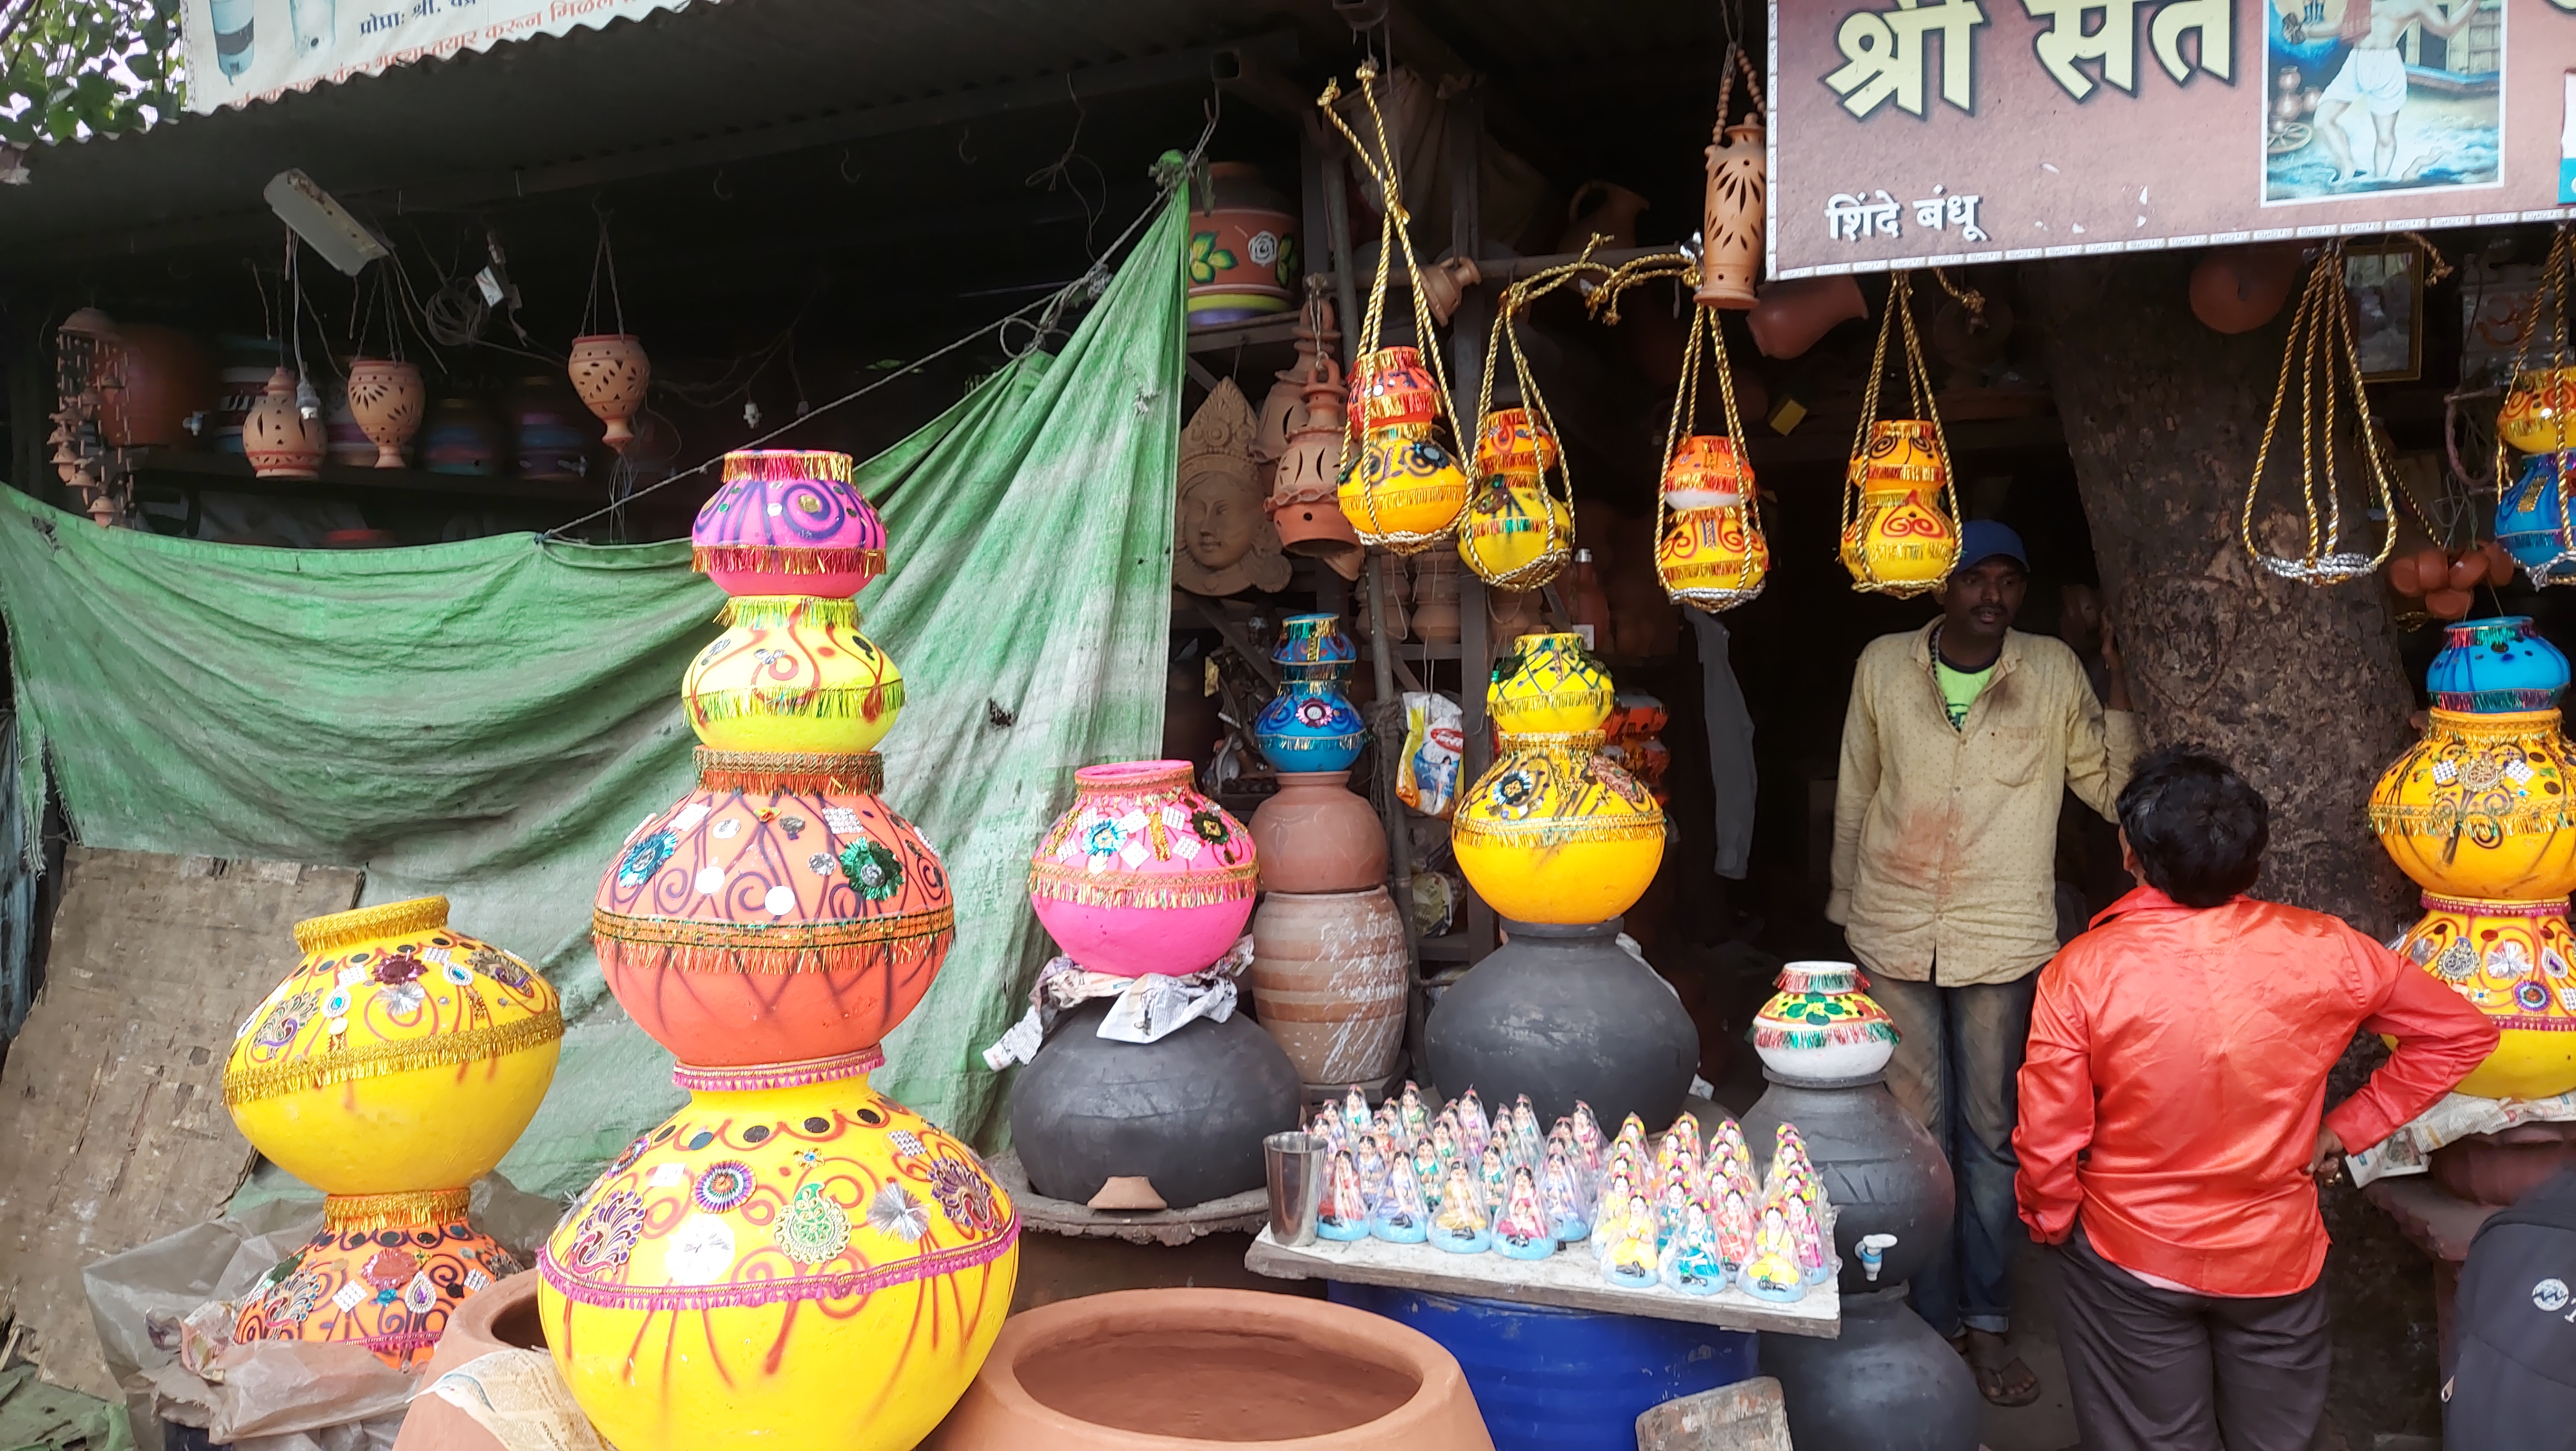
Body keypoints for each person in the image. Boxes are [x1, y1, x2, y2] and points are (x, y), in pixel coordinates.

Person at [2016, 749, 2496, 1451]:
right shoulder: (2327, 950)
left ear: (2130, 855)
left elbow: (2047, 1137)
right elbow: (2459, 1034)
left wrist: (2051, 1222)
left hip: (2130, 1255)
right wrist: (2344, 1129)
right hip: (2274, 1254)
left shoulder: (2082, 973)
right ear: (2255, 863)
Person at [1828, 519, 2136, 1406]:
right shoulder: (1884, 665)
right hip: (1891, 922)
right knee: (1918, 1134)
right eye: (1974, 579)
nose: (1991, 596)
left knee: (1993, 1135)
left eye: (2008, 580)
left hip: (2002, 933)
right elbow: (1858, 786)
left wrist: (2113, 676)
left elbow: (2110, 789)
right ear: (1941, 587)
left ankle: (1989, 1321)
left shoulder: (2049, 671)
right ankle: (1929, 1318)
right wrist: (1848, 907)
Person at [2314, 0, 2482, 187]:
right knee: (2322, 119)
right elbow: (2337, 27)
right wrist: (2304, 32)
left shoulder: (2414, 3)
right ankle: (2349, 167)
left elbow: (2447, 29)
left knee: (2385, 137)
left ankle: (2380, 182)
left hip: (2387, 65)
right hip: (2356, 61)